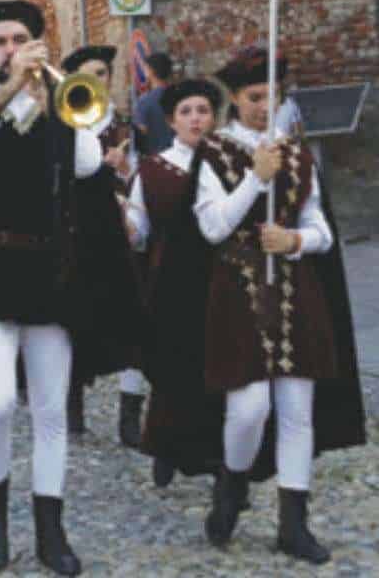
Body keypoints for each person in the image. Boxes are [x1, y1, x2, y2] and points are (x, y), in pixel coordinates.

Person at [0, 0, 141, 575]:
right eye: (0, 41)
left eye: (21, 38)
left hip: (50, 275)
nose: (12, 48)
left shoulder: (60, 103)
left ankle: (51, 527)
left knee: (50, 410)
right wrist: (10, 83)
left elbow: (87, 167)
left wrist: (58, 108)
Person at [192, 47, 364, 564]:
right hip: (240, 286)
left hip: (293, 288)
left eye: (273, 96)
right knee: (250, 407)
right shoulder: (216, 151)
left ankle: (294, 522)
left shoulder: (297, 153)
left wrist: (294, 241)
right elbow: (213, 226)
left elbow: (323, 231)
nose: (265, 107)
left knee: (295, 410)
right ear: (235, 100)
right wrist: (255, 178)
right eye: (253, 98)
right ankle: (232, 482)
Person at [124, 79, 221, 490]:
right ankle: (165, 445)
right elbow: (139, 231)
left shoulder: (228, 163)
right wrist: (119, 220)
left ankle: (219, 461)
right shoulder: (153, 169)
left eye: (203, 110)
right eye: (186, 112)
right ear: (171, 121)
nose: (195, 118)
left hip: (221, 278)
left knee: (220, 368)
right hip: (171, 279)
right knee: (173, 369)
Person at [60, 45, 141, 440]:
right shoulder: (64, 123)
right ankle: (72, 403)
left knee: (128, 314)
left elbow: (147, 179)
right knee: (73, 314)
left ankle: (129, 413)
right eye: (89, 74)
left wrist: (126, 172)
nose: (98, 81)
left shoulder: (126, 127)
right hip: (77, 228)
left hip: (118, 224)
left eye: (104, 73)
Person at [133, 52, 175, 155]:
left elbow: (140, 132)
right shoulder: (179, 96)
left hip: (155, 157)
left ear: (150, 71)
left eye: (145, 68)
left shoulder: (145, 101)